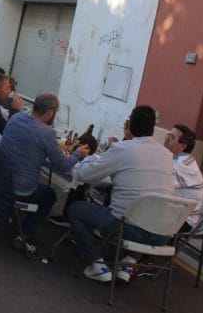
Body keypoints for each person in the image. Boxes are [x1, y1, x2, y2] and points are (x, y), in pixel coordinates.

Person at [68, 105, 174, 283]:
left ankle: (98, 265)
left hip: (126, 227)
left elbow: (85, 175)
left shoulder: (123, 149)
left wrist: (81, 159)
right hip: (162, 233)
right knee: (145, 216)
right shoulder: (167, 155)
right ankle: (128, 263)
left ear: (130, 125)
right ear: (153, 129)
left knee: (76, 209)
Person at [0, 92, 89, 253]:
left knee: (35, 183)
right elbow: (62, 165)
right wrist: (78, 153)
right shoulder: (46, 132)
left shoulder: (16, 118)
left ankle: (8, 216)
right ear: (50, 112)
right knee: (49, 195)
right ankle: (24, 234)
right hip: (19, 189)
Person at [164, 123, 203, 232]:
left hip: (184, 220)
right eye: (168, 135)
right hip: (175, 211)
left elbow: (162, 185)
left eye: (171, 137)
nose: (167, 139)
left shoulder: (183, 166)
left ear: (183, 146)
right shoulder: (177, 158)